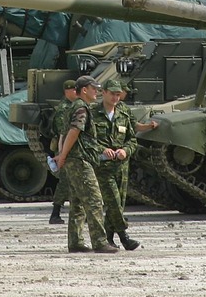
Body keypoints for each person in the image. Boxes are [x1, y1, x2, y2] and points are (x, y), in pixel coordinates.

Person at [51, 76, 116, 253]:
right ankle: (100, 242)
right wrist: (63, 155)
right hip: (79, 160)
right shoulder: (81, 108)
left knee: (77, 202)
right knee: (94, 200)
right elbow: (74, 131)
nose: (97, 92)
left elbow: (64, 133)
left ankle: (75, 241)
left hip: (74, 159)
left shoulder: (73, 106)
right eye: (94, 89)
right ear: (84, 90)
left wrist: (62, 154)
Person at [93, 79, 140, 250]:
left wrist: (126, 150)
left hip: (121, 166)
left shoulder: (124, 113)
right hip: (102, 167)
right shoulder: (93, 114)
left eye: (118, 94)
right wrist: (102, 149)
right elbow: (86, 140)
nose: (115, 97)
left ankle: (109, 238)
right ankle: (124, 237)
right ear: (103, 92)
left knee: (119, 203)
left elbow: (132, 139)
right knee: (113, 201)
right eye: (112, 93)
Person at [46, 79, 78, 225]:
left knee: (71, 182)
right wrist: (62, 153)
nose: (76, 92)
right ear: (67, 91)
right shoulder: (64, 108)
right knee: (65, 181)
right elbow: (63, 132)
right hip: (65, 148)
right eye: (74, 90)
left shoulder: (73, 106)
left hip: (70, 148)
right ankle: (55, 213)